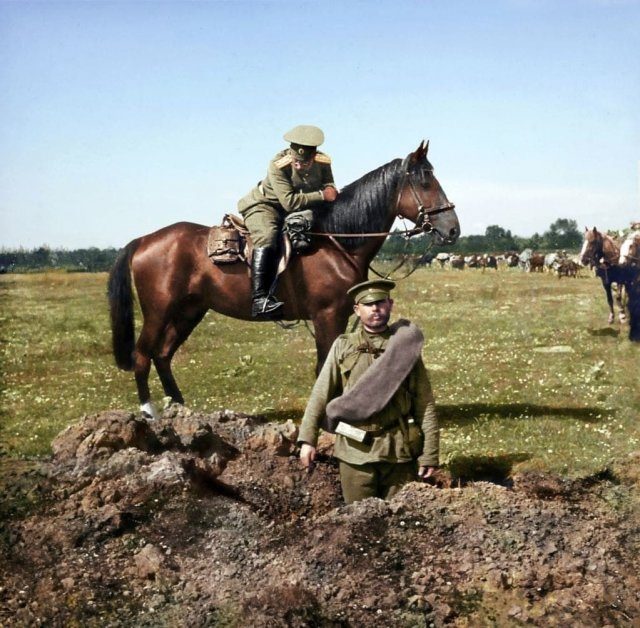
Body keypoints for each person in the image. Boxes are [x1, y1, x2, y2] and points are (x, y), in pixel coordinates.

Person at [297, 279, 440, 504]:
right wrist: (308, 439)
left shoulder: (404, 347)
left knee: (401, 521)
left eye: (381, 302)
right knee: (358, 524)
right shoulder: (343, 346)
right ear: (356, 309)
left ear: (390, 304)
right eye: (368, 304)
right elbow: (320, 394)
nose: (375, 309)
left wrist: (430, 453)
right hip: (354, 452)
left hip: (397, 452)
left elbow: (425, 403)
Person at [238, 125, 339, 318]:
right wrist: (322, 195)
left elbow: (329, 185)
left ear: (314, 156)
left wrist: (330, 191)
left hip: (297, 209)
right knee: (267, 235)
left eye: (305, 162)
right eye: (296, 162)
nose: (299, 166)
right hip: (265, 206)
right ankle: (260, 299)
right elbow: (290, 201)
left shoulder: (323, 161)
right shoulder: (278, 165)